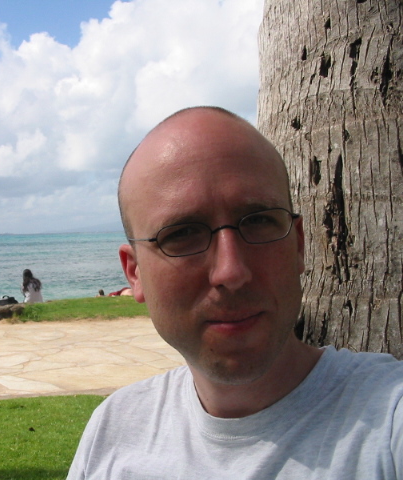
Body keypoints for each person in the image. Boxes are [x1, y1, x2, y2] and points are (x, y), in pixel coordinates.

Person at [67, 107, 403, 479]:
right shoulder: (114, 431)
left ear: (298, 245)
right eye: (182, 234)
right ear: (135, 273)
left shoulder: (389, 418)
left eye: (258, 221)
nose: (231, 271)